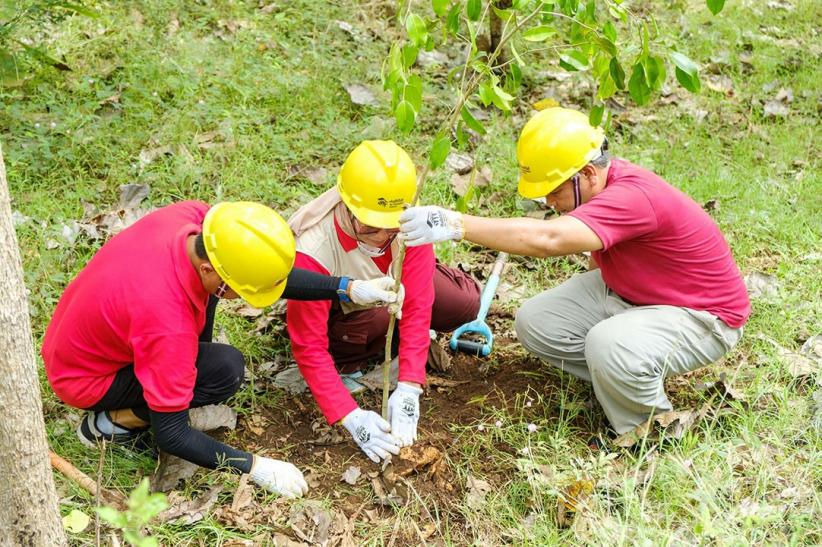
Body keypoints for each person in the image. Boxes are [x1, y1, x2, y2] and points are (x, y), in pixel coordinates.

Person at [398, 107, 751, 438]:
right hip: (638, 296)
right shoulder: (603, 187)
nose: (550, 203)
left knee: (609, 344)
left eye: (553, 192)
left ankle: (648, 429)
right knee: (535, 321)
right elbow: (596, 253)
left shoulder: (632, 197)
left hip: (703, 317)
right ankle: (619, 376)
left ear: (586, 174)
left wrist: (455, 223)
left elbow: (549, 239)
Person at [42, 200, 401, 498]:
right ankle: (109, 423)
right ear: (207, 269)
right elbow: (173, 433)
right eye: (240, 291)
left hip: (82, 337)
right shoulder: (167, 321)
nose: (245, 298)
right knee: (225, 371)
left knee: (208, 342)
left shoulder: (200, 223)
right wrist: (254, 467)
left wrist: (346, 288)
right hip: (87, 378)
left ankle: (164, 382)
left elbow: (258, 271)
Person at [286, 140, 480, 462]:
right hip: (346, 319)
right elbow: (308, 345)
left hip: (393, 298)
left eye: (390, 227)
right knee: (378, 318)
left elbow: (417, 307)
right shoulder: (314, 249)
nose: (381, 235)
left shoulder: (406, 224)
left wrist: (409, 385)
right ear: (347, 206)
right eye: (370, 225)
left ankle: (397, 339)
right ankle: (352, 358)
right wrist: (350, 416)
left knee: (464, 302)